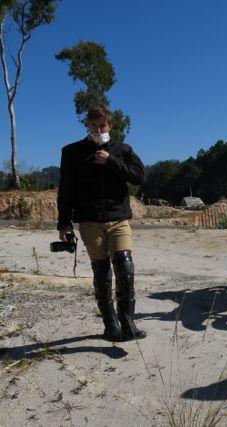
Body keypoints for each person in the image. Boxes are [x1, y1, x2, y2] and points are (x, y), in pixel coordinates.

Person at [56, 105, 146, 342]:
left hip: (118, 219)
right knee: (102, 271)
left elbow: (139, 176)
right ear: (87, 125)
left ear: (110, 126)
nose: (98, 130)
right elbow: (66, 190)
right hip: (89, 221)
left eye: (102, 126)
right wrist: (64, 224)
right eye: (94, 126)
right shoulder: (72, 152)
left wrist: (112, 161)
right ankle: (110, 325)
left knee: (125, 267)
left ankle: (128, 323)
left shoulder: (123, 150)